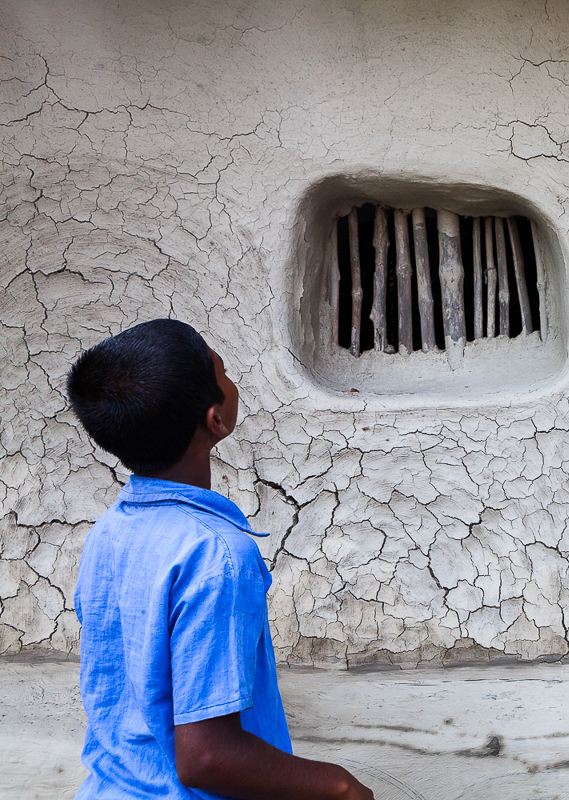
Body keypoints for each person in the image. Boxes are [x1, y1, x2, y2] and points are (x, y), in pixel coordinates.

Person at [67, 319, 374, 800]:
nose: (232, 381)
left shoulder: (109, 531)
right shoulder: (216, 556)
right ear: (216, 419)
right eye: (223, 371)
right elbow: (205, 757)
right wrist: (339, 785)